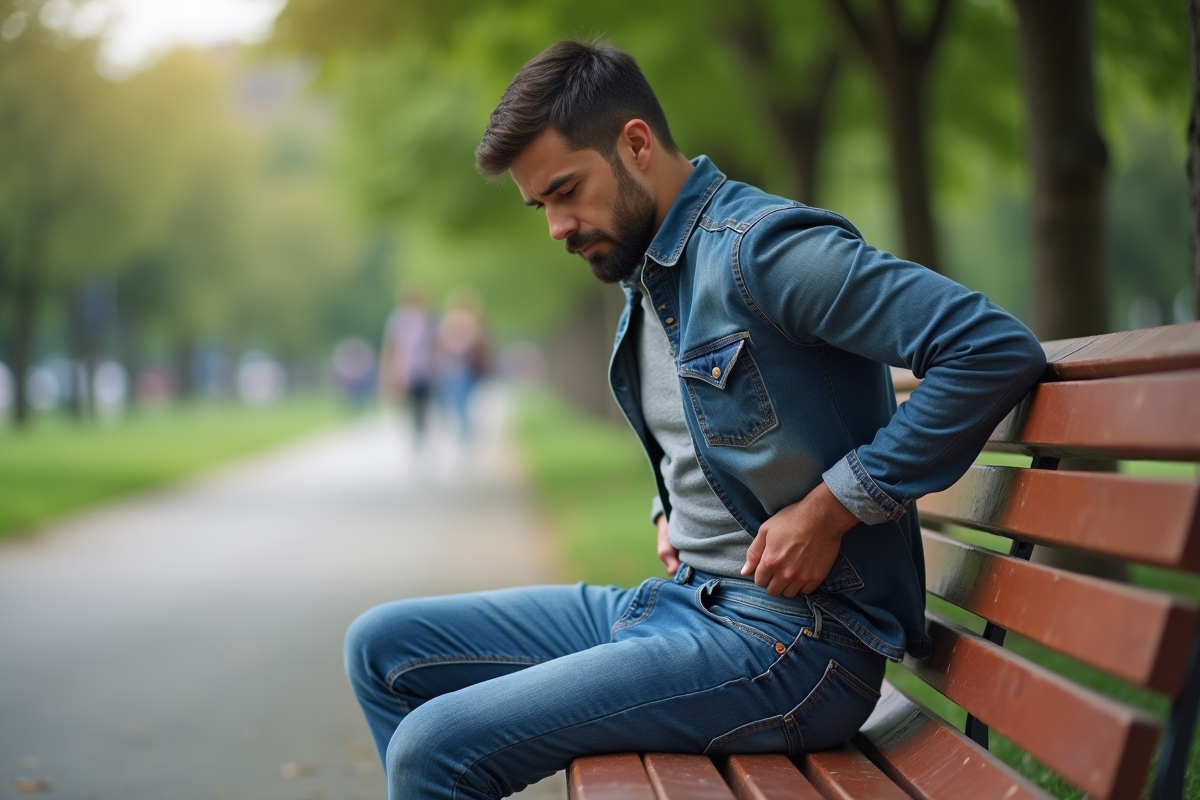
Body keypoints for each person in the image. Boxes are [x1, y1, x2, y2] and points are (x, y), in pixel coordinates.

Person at [345, 40, 1046, 800]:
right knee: (380, 647)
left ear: (636, 144)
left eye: (566, 190)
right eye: (541, 204)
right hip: (688, 606)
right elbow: (707, 425)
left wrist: (835, 506)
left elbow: (991, 348)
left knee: (431, 750)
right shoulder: (648, 267)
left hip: (795, 645)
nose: (555, 226)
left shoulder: (762, 251)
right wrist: (668, 507)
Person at [378, 288, 438, 444]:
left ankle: (422, 431)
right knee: (410, 405)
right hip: (404, 372)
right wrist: (388, 371)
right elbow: (390, 346)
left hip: (425, 371)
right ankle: (417, 433)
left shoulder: (429, 318)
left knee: (423, 404)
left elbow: (436, 345)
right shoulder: (397, 320)